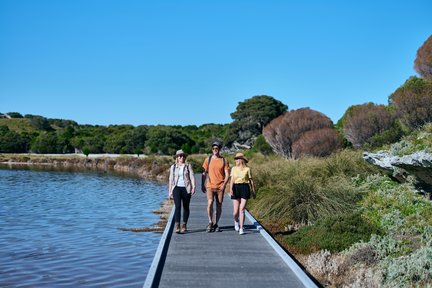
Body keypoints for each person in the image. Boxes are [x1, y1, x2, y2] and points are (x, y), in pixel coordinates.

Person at [201, 141, 229, 232]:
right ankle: (210, 222)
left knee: (219, 206)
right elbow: (204, 173)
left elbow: (227, 174)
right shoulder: (208, 159)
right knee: (210, 203)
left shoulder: (224, 160)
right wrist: (202, 184)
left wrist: (224, 185)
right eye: (213, 149)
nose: (214, 150)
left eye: (216, 149)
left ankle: (216, 223)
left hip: (220, 186)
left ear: (219, 149)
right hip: (210, 185)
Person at [168, 149, 196, 234]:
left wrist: (193, 186)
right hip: (176, 188)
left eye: (183, 156)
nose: (182, 157)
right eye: (180, 156)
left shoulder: (188, 166)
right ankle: (177, 225)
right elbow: (170, 179)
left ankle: (184, 225)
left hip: (186, 188)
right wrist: (169, 192)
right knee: (178, 207)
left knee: (186, 207)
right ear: (177, 157)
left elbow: (192, 176)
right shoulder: (173, 167)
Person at [229, 152, 256, 235]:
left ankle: (241, 228)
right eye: (235, 159)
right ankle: (236, 221)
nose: (236, 160)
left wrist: (253, 191)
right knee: (235, 212)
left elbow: (251, 181)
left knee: (242, 209)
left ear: (241, 160)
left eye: (237, 159)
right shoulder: (233, 168)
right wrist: (230, 189)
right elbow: (232, 179)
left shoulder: (247, 169)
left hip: (245, 187)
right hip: (236, 188)